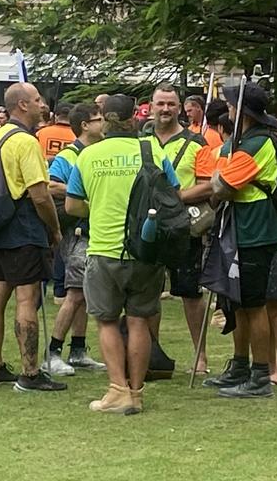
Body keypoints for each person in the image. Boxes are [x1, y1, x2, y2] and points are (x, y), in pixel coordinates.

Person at [66, 94, 180, 414]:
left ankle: (117, 390)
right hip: (145, 248)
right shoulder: (153, 150)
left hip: (104, 249)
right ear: (135, 117)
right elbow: (174, 194)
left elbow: (72, 205)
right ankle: (137, 392)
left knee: (106, 321)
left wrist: (98, 206)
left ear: (103, 117)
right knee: (140, 320)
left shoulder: (88, 155)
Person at [204, 83, 277, 398]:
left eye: (230, 104)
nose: (227, 109)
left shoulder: (258, 144)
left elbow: (223, 185)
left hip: (258, 232)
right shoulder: (243, 143)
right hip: (240, 230)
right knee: (237, 303)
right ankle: (240, 366)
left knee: (255, 305)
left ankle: (259, 377)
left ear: (242, 111)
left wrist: (190, 192)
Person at [0, 82, 64, 393]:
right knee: (27, 299)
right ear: (23, 105)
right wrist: (54, 229)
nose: (43, 105)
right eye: (38, 99)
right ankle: (29, 373)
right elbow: (39, 195)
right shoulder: (26, 142)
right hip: (22, 225)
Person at [143, 83, 214, 375]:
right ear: (151, 105)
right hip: (148, 225)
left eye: (171, 104)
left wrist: (176, 198)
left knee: (190, 292)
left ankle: (200, 356)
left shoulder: (197, 142)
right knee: (147, 291)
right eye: (160, 104)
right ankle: (150, 353)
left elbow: (209, 183)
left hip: (184, 226)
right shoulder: (140, 141)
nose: (165, 110)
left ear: (180, 107)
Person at [45, 103, 106, 376]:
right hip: (77, 233)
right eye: (99, 119)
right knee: (76, 293)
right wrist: (85, 193)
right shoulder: (69, 155)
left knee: (82, 294)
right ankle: (53, 352)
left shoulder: (96, 152)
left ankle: (78, 350)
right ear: (85, 125)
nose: (103, 123)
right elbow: (50, 184)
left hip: (91, 231)